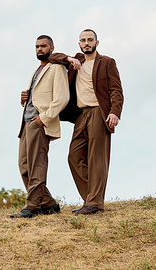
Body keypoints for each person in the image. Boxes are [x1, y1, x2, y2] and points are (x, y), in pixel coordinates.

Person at [49, 29, 124, 215]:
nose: (86, 43)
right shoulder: (77, 60)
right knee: (74, 157)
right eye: (83, 40)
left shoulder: (107, 62)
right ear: (79, 44)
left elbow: (116, 90)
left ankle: (94, 203)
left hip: (99, 112)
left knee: (96, 158)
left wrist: (115, 112)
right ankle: (92, 198)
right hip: (81, 114)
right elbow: (52, 57)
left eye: (90, 40)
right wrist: (68, 59)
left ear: (97, 43)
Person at [10, 35, 69, 218]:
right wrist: (24, 100)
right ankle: (49, 204)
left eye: (43, 46)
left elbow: (62, 98)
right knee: (24, 166)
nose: (39, 49)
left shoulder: (57, 68)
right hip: (26, 123)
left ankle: (33, 206)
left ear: (52, 48)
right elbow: (38, 98)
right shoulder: (37, 70)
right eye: (37, 46)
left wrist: (43, 119)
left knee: (37, 166)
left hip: (39, 123)